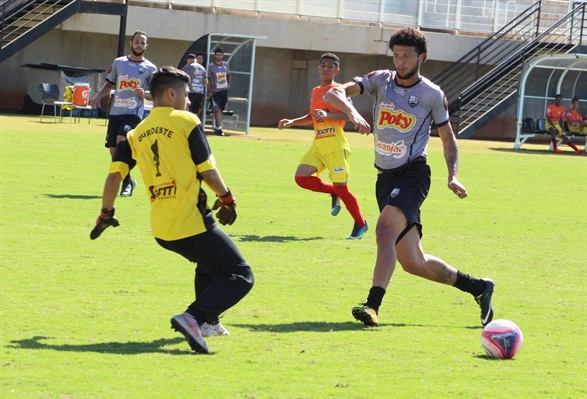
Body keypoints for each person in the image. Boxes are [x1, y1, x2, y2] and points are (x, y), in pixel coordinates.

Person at [325, 27, 494, 328]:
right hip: (385, 178)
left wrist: (453, 175)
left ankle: (372, 306)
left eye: (406, 56)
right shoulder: (380, 80)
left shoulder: (431, 94)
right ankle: (479, 288)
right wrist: (352, 114)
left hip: (413, 173)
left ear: (422, 57)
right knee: (413, 262)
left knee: (384, 230)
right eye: (396, 56)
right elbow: (333, 92)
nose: (400, 62)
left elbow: (448, 139)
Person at [89, 66, 254, 354]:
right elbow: (208, 171)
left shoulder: (135, 132)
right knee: (240, 274)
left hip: (162, 230)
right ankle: (194, 318)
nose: (189, 101)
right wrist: (227, 198)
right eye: (187, 95)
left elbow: (115, 176)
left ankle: (209, 322)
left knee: (208, 263)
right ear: (171, 93)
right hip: (190, 221)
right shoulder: (186, 121)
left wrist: (106, 212)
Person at [278, 53, 368, 239]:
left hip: (335, 143)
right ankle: (333, 192)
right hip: (318, 144)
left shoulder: (339, 91)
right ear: (318, 68)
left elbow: (350, 115)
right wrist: (292, 121)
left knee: (343, 187)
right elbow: (312, 116)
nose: (326, 69)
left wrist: (328, 115)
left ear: (336, 70)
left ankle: (361, 223)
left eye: (330, 66)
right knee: (301, 177)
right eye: (323, 65)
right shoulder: (315, 91)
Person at [90, 30, 157, 197]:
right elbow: (109, 84)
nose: (139, 45)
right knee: (113, 151)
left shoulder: (150, 68)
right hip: (115, 112)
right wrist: (98, 95)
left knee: (122, 142)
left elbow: (155, 93)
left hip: (133, 113)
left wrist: (145, 94)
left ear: (146, 46)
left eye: (142, 42)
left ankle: (125, 184)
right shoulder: (119, 63)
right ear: (131, 43)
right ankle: (129, 180)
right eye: (137, 42)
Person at [207, 47, 231, 136]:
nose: (219, 56)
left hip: (224, 90)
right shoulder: (211, 66)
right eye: (217, 54)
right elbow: (208, 79)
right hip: (215, 91)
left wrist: (228, 85)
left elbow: (229, 75)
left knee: (221, 109)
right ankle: (220, 128)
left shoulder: (225, 64)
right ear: (214, 55)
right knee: (217, 108)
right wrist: (210, 91)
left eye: (220, 55)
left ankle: (218, 127)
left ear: (222, 56)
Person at [182, 53, 208, 119]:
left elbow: (183, 79)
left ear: (190, 60)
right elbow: (206, 82)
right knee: (196, 110)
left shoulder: (187, 67)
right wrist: (200, 86)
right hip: (199, 92)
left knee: (188, 109)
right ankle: (194, 124)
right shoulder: (202, 68)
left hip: (190, 91)